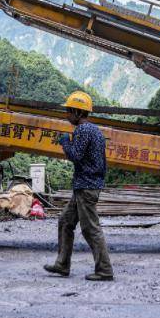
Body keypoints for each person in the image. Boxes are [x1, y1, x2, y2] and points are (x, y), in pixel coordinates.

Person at [43, 90, 114, 282]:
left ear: (77, 111)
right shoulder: (96, 131)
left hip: (86, 186)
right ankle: (62, 264)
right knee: (65, 221)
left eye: (68, 111)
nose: (67, 115)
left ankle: (104, 270)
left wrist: (66, 143)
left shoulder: (83, 130)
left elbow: (75, 156)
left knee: (91, 228)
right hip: (86, 185)